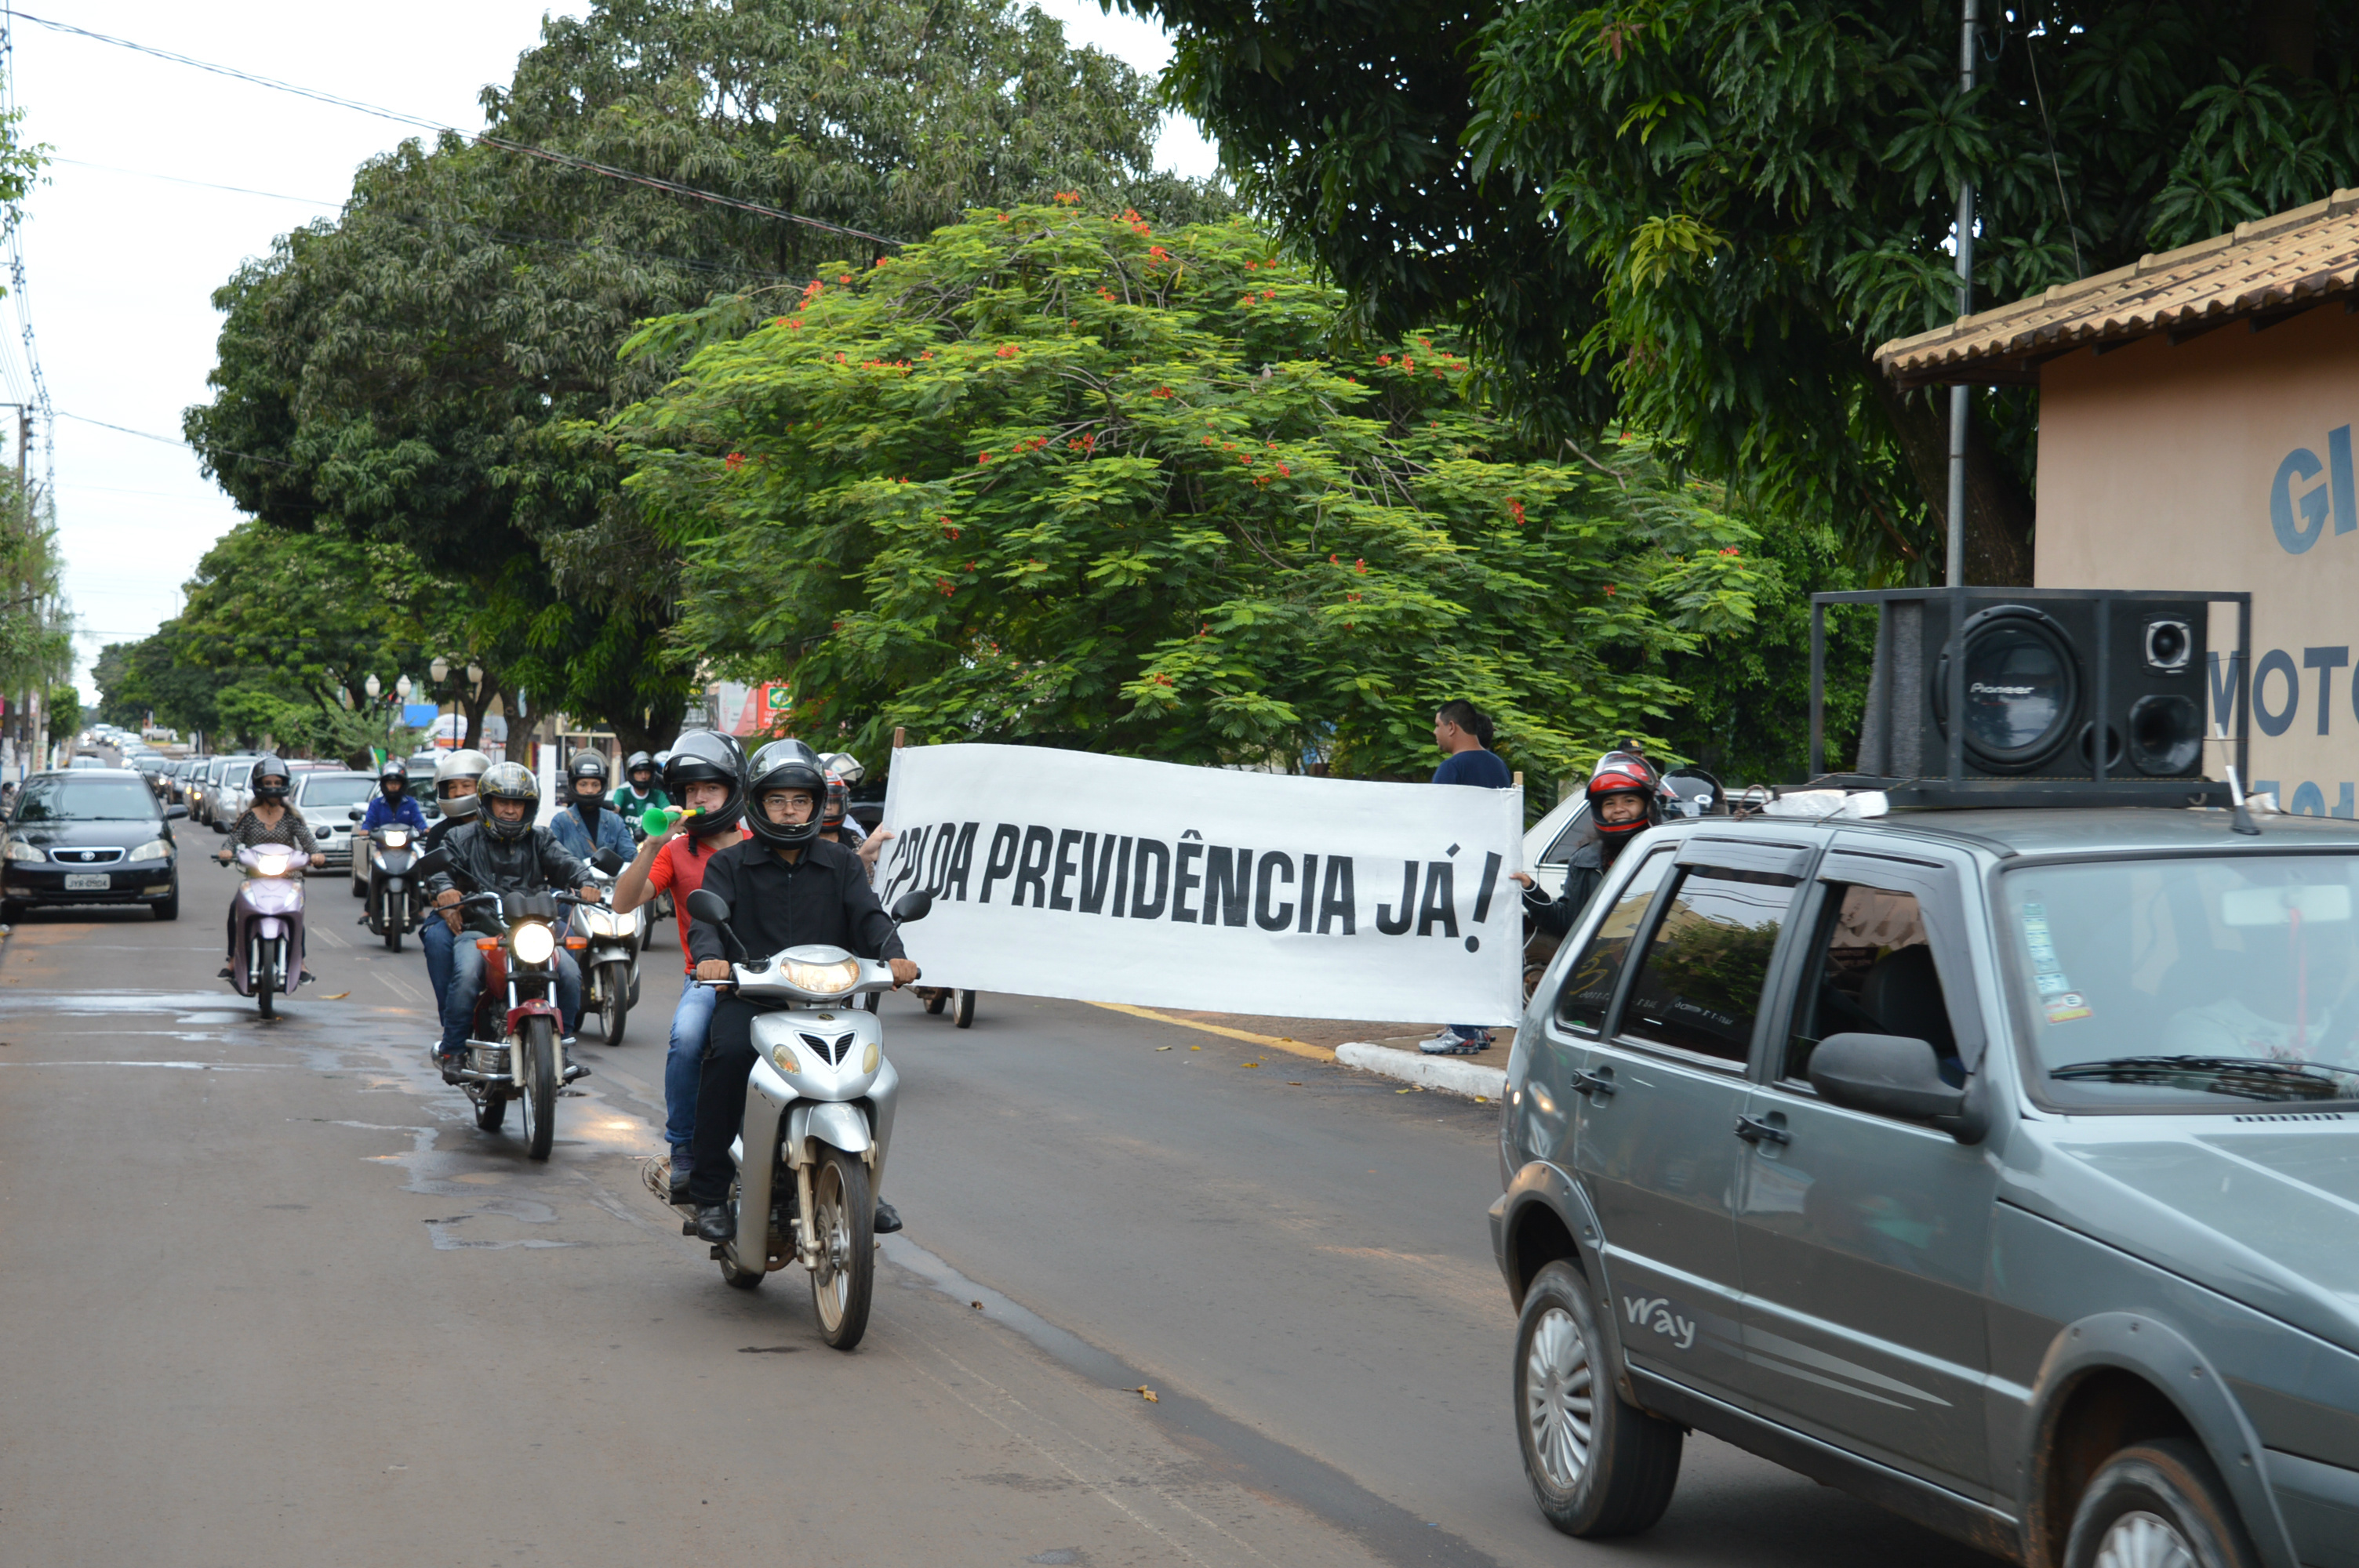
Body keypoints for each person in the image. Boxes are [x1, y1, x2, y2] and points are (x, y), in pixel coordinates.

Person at [684, 739, 917, 1243]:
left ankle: (864, 1188)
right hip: (753, 1001)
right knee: (725, 1059)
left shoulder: (843, 864)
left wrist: (894, 954)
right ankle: (708, 1194)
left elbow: (870, 918)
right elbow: (707, 921)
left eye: (801, 800)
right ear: (757, 802)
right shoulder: (730, 864)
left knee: (873, 1076)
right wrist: (709, 958)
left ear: (816, 804)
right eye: (777, 800)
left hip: (829, 1005)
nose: (790, 811)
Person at [609, 731, 749, 1201]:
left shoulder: (759, 842)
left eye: (710, 788)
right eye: (690, 791)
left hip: (770, 977)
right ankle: (684, 1147)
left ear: (732, 791)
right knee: (687, 1038)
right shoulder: (674, 851)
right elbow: (624, 903)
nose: (698, 798)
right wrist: (650, 845)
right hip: (708, 978)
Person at [421, 760, 601, 1078]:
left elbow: (567, 861)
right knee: (465, 978)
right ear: (487, 803)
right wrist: (446, 889)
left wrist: (587, 881)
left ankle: (562, 1048)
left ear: (528, 808)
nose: (509, 810)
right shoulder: (462, 837)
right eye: (502, 802)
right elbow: (440, 869)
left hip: (535, 929)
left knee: (571, 974)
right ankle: (454, 1050)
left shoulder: (541, 838)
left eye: (518, 804)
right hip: (481, 927)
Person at [1419, 700, 1515, 1056]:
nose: (1435, 732)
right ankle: (1476, 1025)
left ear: (1452, 727)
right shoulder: (1498, 766)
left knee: (1453, 948)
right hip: (1490, 871)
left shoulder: (1452, 768)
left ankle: (1461, 1031)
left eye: (1437, 724)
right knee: (1477, 946)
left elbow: (1438, 825)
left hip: (1457, 873)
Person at [1511, 749, 1668, 938]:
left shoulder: (1667, 855)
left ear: (1648, 805)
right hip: (1598, 965)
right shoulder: (1584, 861)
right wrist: (1531, 891)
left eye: (1629, 801)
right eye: (1610, 803)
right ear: (1599, 810)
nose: (1619, 809)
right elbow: (1567, 926)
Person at [214, 753, 320, 978]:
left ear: (284, 785)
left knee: (295, 913)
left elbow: (309, 842)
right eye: (268, 783)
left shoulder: (292, 817)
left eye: (277, 783)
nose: (273, 787)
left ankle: (300, 962)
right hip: (255, 879)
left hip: (289, 879)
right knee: (235, 908)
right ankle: (233, 960)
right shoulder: (249, 817)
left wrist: (317, 855)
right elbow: (232, 840)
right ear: (259, 785)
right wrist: (226, 851)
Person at [417, 749, 492, 1027]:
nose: (459, 792)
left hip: (499, 909)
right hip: (455, 912)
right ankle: (453, 1023)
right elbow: (433, 881)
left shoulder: (501, 824)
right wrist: (447, 903)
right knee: (436, 940)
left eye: (466, 785)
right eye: (452, 787)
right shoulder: (440, 833)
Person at [547, 749, 635, 864]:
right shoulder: (560, 822)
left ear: (602, 786)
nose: (589, 790)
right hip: (573, 882)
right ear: (574, 785)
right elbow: (552, 861)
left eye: (595, 785)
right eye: (583, 784)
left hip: (610, 882)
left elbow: (631, 857)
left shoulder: (615, 822)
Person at [358, 757, 429, 839]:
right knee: (374, 852)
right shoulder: (376, 804)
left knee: (419, 852)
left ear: (402, 785)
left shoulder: (410, 803)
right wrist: (365, 830)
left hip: (406, 846)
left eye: (397, 783)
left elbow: (418, 821)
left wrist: (424, 829)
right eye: (390, 783)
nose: (393, 786)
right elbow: (369, 822)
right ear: (384, 785)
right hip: (382, 846)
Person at [612, 751, 668, 823]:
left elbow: (668, 812)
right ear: (632, 774)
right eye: (639, 773)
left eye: (647, 773)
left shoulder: (658, 795)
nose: (644, 776)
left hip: (652, 834)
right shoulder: (622, 793)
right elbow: (614, 809)